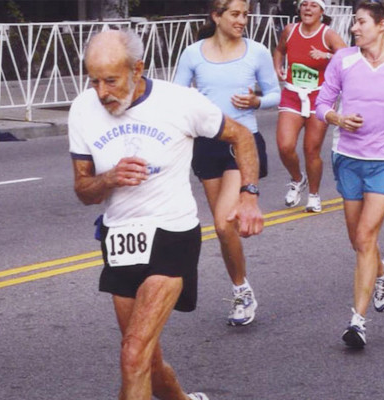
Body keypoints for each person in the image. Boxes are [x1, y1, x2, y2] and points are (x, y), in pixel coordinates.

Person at [69, 30, 264, 400]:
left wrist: (248, 195)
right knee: (148, 361)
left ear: (137, 69)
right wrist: (108, 178)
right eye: (93, 80)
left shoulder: (180, 102)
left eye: (110, 80)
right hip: (119, 237)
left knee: (131, 354)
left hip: (172, 233)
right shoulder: (83, 109)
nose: (101, 92)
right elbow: (83, 191)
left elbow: (241, 135)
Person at [315, 0, 384, 348]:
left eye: (361, 22)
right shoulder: (343, 60)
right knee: (357, 240)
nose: (355, 28)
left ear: (381, 26)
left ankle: (357, 322)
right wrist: (337, 118)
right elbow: (322, 103)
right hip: (347, 158)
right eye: (354, 23)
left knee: (365, 236)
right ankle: (383, 270)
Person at [173, 0, 279, 326]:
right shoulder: (192, 53)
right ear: (216, 16)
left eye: (245, 14)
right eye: (235, 14)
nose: (242, 20)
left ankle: (241, 290)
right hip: (206, 145)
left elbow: (277, 93)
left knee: (221, 223)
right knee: (224, 231)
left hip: (243, 144)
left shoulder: (257, 52)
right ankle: (240, 289)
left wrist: (257, 100)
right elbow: (176, 96)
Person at [273, 0, 347, 211]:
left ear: (322, 11)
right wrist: (278, 67)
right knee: (285, 146)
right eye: (304, 4)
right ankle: (298, 179)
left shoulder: (328, 34)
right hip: (293, 94)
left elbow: (348, 57)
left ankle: (314, 195)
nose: (308, 8)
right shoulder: (290, 30)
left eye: (313, 5)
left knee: (311, 149)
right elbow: (279, 50)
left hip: (319, 97)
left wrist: (326, 55)